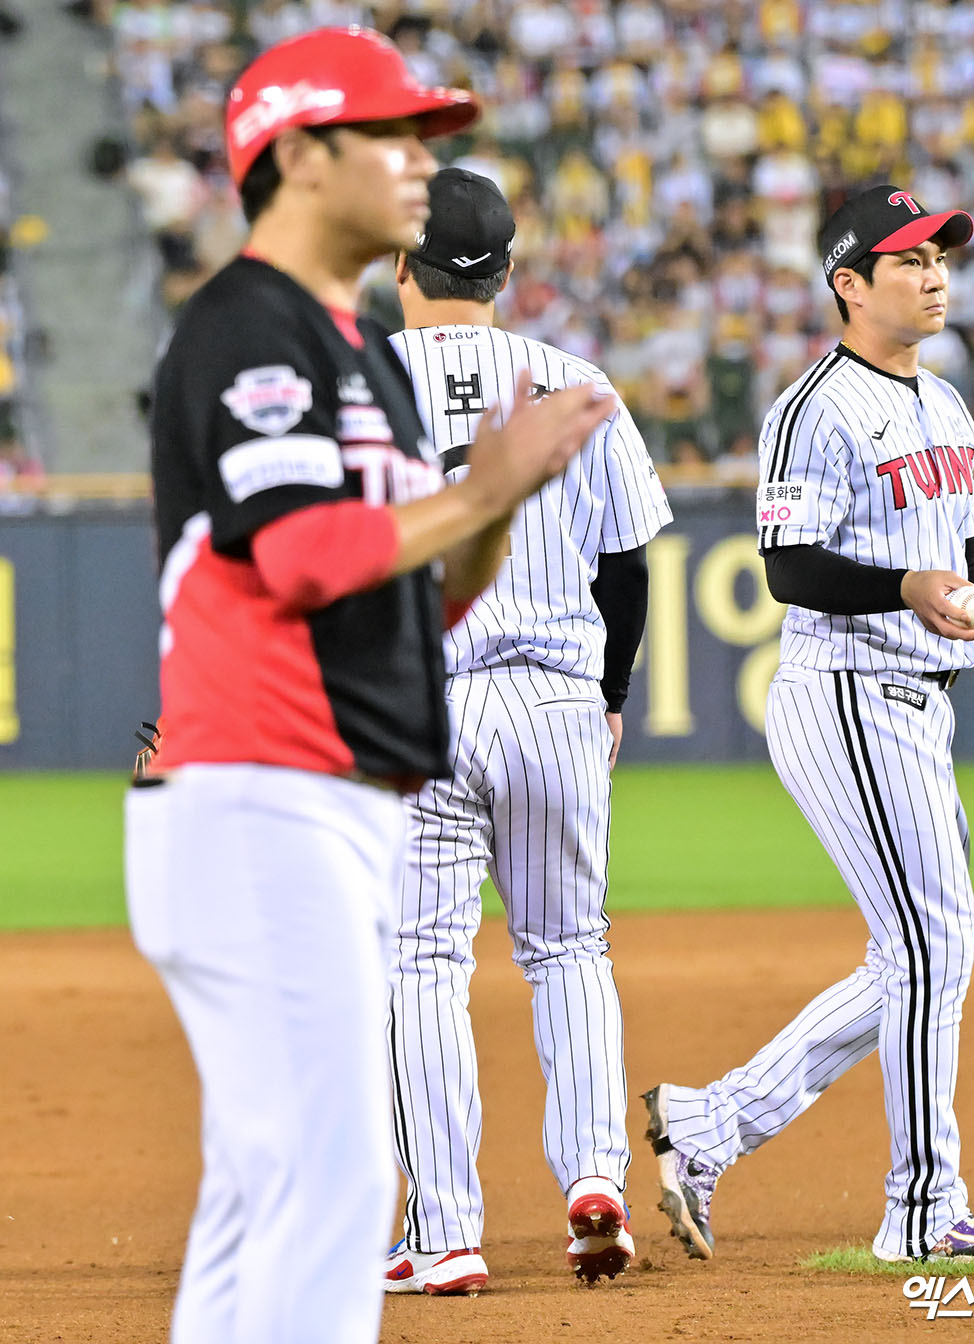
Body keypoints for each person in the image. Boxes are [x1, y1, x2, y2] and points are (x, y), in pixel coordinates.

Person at [124, 29, 614, 1344]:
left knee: (270, 1190)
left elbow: (423, 596)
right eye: (389, 137)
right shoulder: (251, 331)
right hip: (260, 791)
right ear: (294, 154)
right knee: (334, 1184)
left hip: (315, 793)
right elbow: (298, 557)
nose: (420, 164)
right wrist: (483, 489)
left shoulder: (349, 351)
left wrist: (500, 511)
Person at [644, 184, 974, 1266]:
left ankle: (708, 1125)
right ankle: (922, 1208)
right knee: (931, 946)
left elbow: (971, 573)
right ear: (850, 283)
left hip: (918, 699)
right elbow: (788, 566)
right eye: (909, 261)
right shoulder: (812, 409)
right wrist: (901, 583)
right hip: (845, 691)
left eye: (942, 257)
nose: (936, 276)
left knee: (922, 955)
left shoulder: (946, 407)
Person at [380, 168, 672, 1294]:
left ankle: (445, 1233)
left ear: (400, 265)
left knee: (421, 962)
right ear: (506, 273)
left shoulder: (355, 390)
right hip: (555, 691)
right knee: (568, 947)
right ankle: (596, 1181)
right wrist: (610, 696)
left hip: (423, 700)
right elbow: (629, 566)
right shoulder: (575, 379)